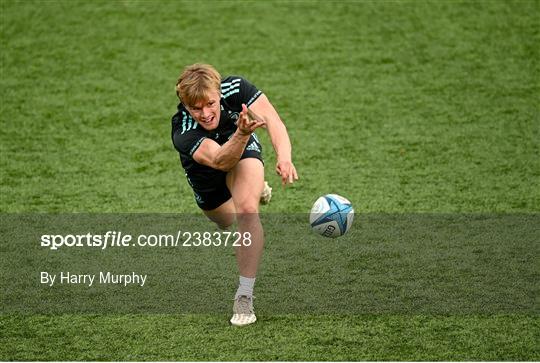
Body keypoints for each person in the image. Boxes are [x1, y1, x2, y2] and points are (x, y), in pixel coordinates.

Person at [171, 64, 298, 326]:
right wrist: (241, 132)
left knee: (247, 211)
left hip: (242, 150)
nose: (205, 113)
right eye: (196, 108)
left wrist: (284, 158)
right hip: (208, 169)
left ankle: (244, 296)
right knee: (225, 219)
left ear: (219, 93)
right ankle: (252, 187)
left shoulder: (236, 88)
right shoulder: (182, 130)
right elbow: (220, 160)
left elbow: (272, 120)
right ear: (184, 104)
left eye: (210, 103)